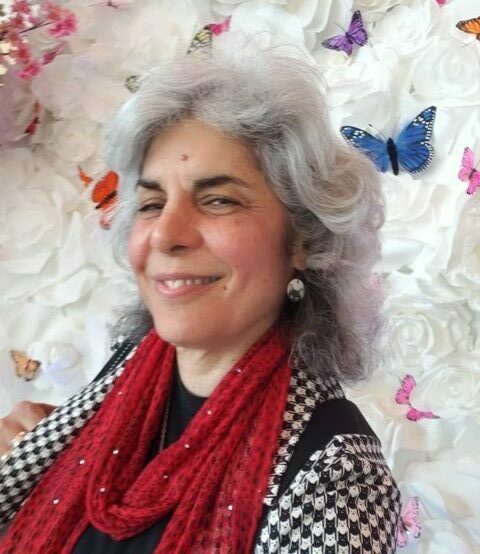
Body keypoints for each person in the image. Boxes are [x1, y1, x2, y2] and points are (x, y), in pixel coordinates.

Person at [0, 45, 402, 553]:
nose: (166, 234)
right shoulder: (133, 369)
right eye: (151, 203)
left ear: (303, 239)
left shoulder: (338, 480)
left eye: (218, 200)